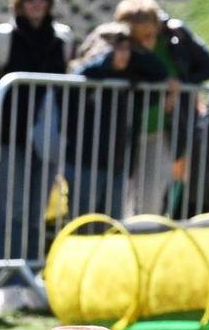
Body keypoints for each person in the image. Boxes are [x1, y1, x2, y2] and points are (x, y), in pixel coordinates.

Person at [0, 0, 70, 265]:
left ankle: (32, 271)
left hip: (47, 136)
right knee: (11, 209)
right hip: (11, 136)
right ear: (19, 3)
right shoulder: (4, 39)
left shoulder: (61, 41)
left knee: (37, 211)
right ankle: (6, 273)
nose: (36, 3)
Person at [112, 0, 209, 216]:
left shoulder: (175, 36)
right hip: (124, 132)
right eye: (136, 39)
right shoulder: (115, 44)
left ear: (157, 26)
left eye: (149, 35)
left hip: (161, 131)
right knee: (120, 202)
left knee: (151, 199)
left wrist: (181, 84)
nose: (144, 43)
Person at [63, 23, 170, 222]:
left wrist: (135, 55)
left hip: (119, 164)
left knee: (112, 225)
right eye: (116, 47)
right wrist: (107, 60)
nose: (122, 53)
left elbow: (160, 72)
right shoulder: (87, 72)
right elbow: (77, 81)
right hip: (85, 162)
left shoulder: (132, 76)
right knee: (82, 223)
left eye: (126, 48)